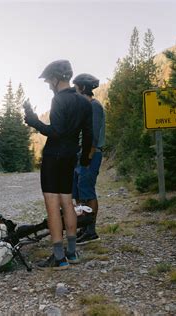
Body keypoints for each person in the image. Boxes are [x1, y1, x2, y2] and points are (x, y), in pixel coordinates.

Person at [23, 60, 92, 269]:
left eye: (48, 81)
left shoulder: (59, 101)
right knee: (67, 201)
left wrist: (34, 121)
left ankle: (59, 257)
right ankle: (72, 253)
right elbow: (88, 134)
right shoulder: (84, 102)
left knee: (52, 204)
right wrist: (85, 158)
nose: (48, 85)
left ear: (55, 78)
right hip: (71, 155)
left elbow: (56, 132)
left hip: (54, 156)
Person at [72, 73, 105, 245]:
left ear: (83, 88)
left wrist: (87, 157)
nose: (74, 90)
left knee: (87, 190)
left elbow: (93, 133)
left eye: (75, 87)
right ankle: (82, 225)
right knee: (77, 191)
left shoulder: (94, 106)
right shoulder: (84, 107)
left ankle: (91, 231)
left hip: (90, 153)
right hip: (79, 154)